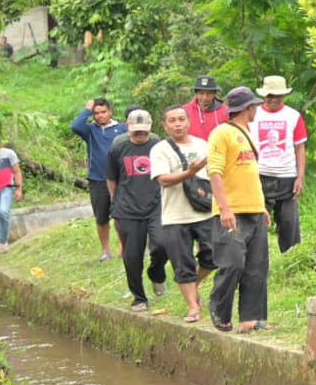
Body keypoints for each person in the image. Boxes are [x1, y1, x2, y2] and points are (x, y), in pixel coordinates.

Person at [207, 86, 270, 333]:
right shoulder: (221, 133)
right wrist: (224, 208)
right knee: (232, 264)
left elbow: (250, 175)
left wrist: (261, 206)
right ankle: (219, 310)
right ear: (248, 108)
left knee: (256, 267)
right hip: (231, 211)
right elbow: (215, 171)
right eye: (254, 106)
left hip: (254, 209)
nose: (255, 110)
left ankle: (250, 318)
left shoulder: (249, 133)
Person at [151, 104, 216, 323]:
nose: (178, 124)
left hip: (205, 213)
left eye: (181, 119)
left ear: (189, 122)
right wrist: (189, 172)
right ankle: (192, 307)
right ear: (164, 125)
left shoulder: (203, 145)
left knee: (213, 255)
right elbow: (162, 180)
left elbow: (215, 175)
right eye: (172, 121)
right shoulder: (160, 149)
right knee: (182, 262)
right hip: (175, 216)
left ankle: (193, 285)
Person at [105, 108, 170, 311]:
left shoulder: (159, 146)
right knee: (132, 256)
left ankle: (157, 274)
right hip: (127, 208)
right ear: (128, 127)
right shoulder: (118, 148)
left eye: (144, 130)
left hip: (156, 205)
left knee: (162, 244)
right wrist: (115, 204)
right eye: (136, 130)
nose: (140, 134)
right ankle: (139, 297)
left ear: (150, 127)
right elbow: (112, 179)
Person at [250, 75, 307, 253]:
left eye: (278, 96)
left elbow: (300, 148)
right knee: (257, 220)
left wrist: (300, 176)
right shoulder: (253, 114)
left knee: (289, 221)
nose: (274, 99)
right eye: (270, 95)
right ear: (264, 96)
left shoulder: (293, 116)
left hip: (287, 175)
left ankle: (290, 256)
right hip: (260, 175)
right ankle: (256, 256)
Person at [71, 98, 126, 260]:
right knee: (101, 217)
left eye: (103, 112)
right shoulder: (89, 130)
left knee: (121, 215)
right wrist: (87, 109)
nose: (100, 116)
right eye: (96, 113)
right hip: (97, 179)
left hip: (121, 179)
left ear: (110, 111)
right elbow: (75, 126)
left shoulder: (122, 128)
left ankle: (124, 247)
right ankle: (105, 250)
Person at [0, 131, 22, 253]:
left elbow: (16, 172)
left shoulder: (8, 154)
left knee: (3, 211)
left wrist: (19, 189)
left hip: (6, 187)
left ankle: (3, 243)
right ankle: (0, 243)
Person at [181, 74, 228, 141]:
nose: (204, 97)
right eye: (201, 93)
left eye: (209, 93)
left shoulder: (226, 111)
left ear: (214, 94)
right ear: (196, 93)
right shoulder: (184, 111)